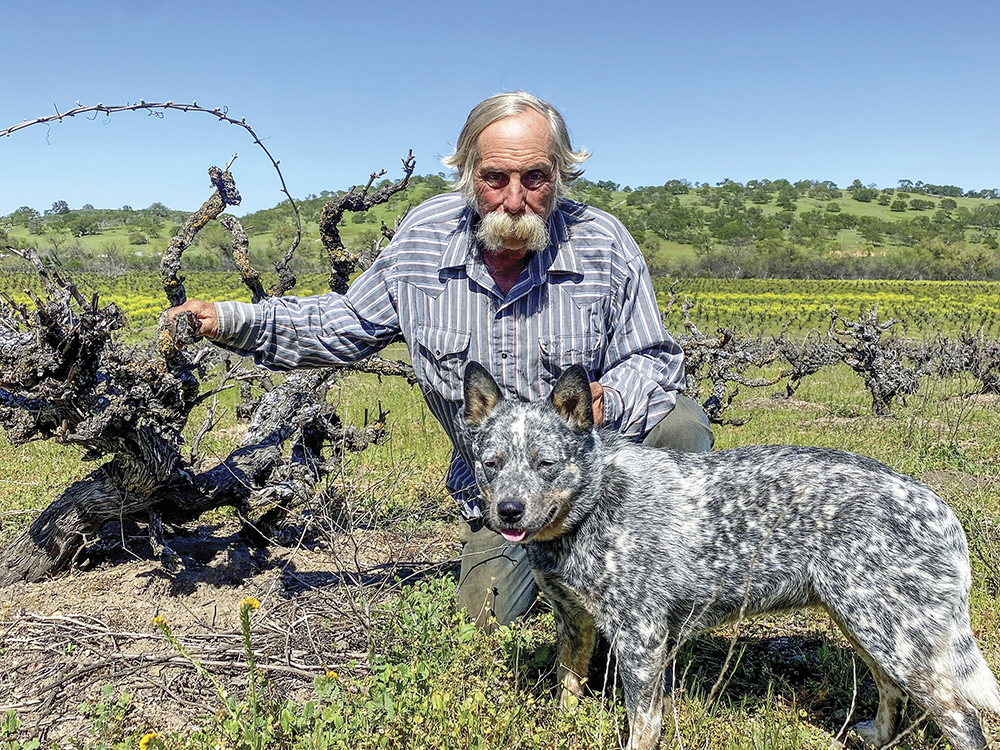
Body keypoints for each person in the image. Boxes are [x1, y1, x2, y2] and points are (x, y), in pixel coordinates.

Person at [167, 91, 713, 629]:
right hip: (500, 489)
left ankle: (660, 596)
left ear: (561, 177)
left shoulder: (604, 244)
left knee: (681, 425)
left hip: (594, 476)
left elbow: (652, 357)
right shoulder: (425, 240)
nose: (515, 199)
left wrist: (609, 399)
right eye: (495, 178)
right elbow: (345, 322)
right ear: (468, 172)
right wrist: (231, 320)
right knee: (487, 615)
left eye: (536, 178)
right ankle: (568, 583)